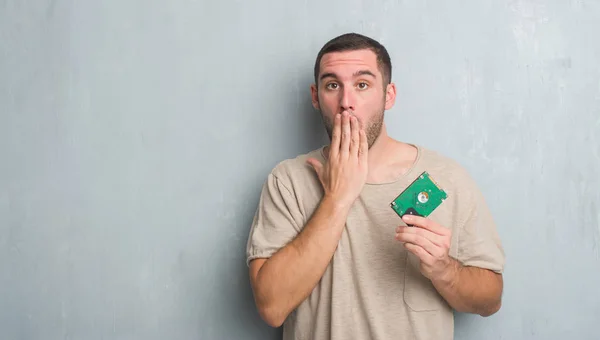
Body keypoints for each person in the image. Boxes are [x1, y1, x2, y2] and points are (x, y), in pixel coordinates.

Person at [245, 32, 505, 340]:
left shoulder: (444, 177)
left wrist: (445, 270)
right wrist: (337, 199)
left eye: (362, 85)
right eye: (332, 86)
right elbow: (272, 307)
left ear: (389, 95)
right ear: (316, 97)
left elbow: (490, 301)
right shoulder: (287, 181)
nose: (346, 103)